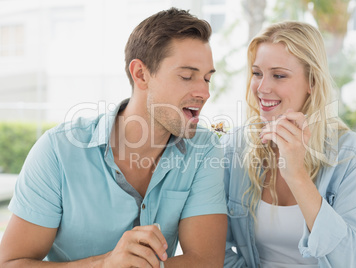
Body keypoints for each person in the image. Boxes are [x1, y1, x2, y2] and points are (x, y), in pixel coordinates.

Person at [0, 7, 227, 267]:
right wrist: (106, 263)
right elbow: (11, 263)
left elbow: (205, 260)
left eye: (207, 79)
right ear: (141, 74)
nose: (204, 92)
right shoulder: (58, 151)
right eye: (187, 76)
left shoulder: (204, 149)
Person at [222, 21, 356, 267]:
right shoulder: (234, 146)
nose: (262, 88)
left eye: (279, 75)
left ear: (311, 82)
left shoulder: (350, 154)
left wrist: (297, 175)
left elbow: (352, 261)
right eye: (257, 73)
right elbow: (217, 250)